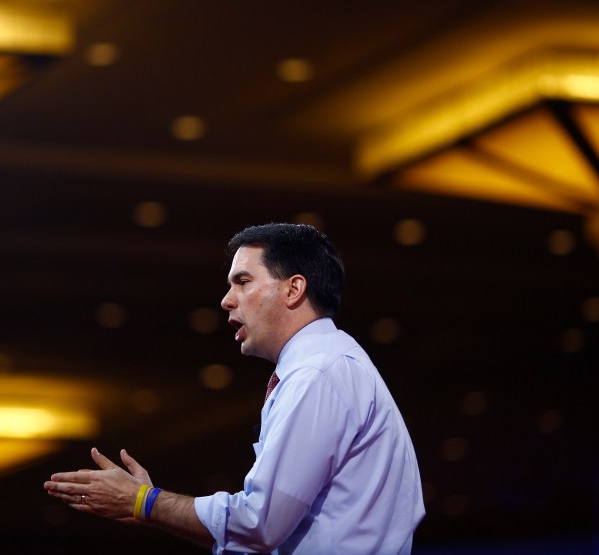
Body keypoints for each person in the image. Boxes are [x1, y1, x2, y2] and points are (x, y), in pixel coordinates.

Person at [44, 223, 425, 553]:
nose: (226, 301)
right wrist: (150, 508)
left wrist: (145, 501)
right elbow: (260, 535)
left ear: (293, 289)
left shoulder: (318, 374)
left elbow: (260, 525)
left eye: (243, 282)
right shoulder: (326, 365)